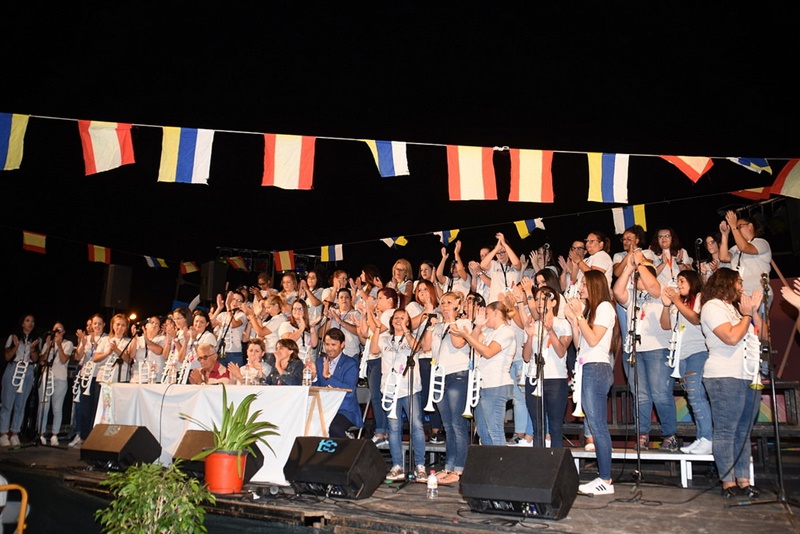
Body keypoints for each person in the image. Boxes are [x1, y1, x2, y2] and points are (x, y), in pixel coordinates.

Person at [700, 267, 763, 499]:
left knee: (744, 432)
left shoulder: (738, 309)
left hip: (748, 375)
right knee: (726, 430)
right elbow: (731, 337)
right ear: (725, 283)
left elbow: (764, 335)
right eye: (738, 282)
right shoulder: (712, 307)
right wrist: (746, 316)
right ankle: (728, 483)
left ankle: (744, 481)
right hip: (724, 375)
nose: (742, 287)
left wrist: (753, 312)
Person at [564, 270, 621, 496]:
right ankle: (603, 477)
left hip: (597, 368)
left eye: (584, 285)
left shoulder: (605, 307)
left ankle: (605, 479)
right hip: (587, 366)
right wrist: (574, 322)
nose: (580, 288)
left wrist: (579, 316)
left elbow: (595, 339)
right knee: (595, 423)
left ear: (595, 286)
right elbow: (580, 344)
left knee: (598, 426)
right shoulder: (591, 310)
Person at [614, 249, 678, 451]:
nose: (636, 278)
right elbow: (617, 292)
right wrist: (628, 268)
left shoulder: (662, 291)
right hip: (634, 351)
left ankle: (669, 435)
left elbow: (653, 287)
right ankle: (642, 434)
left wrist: (641, 263)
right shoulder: (633, 296)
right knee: (640, 395)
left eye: (640, 275)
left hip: (657, 349)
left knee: (660, 394)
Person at [370, 309, 427, 483]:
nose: (398, 320)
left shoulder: (412, 337)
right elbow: (373, 350)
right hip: (390, 389)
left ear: (408, 322)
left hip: (409, 388)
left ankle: (420, 466)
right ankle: (397, 466)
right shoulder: (385, 338)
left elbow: (417, 348)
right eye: (396, 317)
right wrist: (377, 329)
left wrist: (407, 331)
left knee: (416, 426)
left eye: (403, 318)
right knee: (394, 428)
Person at [421, 291, 471, 485]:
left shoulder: (464, 323)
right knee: (448, 425)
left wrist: (451, 320)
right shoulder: (438, 326)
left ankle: (460, 468)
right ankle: (449, 466)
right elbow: (426, 347)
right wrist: (430, 327)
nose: (444, 306)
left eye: (449, 302)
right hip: (440, 376)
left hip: (458, 375)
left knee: (458, 424)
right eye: (442, 303)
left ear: (458, 304)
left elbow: (458, 344)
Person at [660, 270, 712, 455]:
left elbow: (696, 319)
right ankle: (701, 438)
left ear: (692, 281)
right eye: (678, 281)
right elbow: (666, 325)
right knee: (692, 398)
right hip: (681, 356)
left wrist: (676, 301)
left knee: (697, 396)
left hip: (697, 353)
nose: (679, 284)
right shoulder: (678, 303)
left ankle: (708, 438)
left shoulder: (699, 298)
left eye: (682, 281)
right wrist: (666, 306)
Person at [451, 301, 516, 447]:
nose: (485, 317)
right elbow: (473, 343)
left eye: (487, 314)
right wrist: (478, 327)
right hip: (483, 385)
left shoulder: (506, 332)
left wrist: (466, 335)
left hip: (496, 385)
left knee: (494, 431)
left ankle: (501, 461)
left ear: (496, 313)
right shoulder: (489, 332)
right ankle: (489, 460)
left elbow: (488, 352)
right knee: (483, 431)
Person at [522, 287, 572, 448]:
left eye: (544, 299)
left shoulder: (563, 324)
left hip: (556, 379)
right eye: (537, 299)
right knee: (538, 428)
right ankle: (538, 461)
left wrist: (550, 331)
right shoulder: (532, 325)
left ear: (554, 302)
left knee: (555, 428)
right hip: (534, 378)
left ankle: (555, 461)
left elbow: (561, 351)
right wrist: (530, 337)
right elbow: (526, 357)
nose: (539, 302)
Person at [359, 287, 400, 447]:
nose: (377, 301)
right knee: (375, 396)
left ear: (390, 300)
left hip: (380, 358)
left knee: (378, 396)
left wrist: (370, 310)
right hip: (372, 357)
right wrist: (364, 314)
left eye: (380, 298)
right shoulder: (381, 315)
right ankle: (382, 430)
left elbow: (379, 328)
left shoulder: (390, 313)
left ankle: (381, 431)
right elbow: (365, 333)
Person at [310, 328, 363, 438]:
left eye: (333, 345)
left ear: (342, 345)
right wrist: (314, 378)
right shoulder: (320, 362)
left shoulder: (350, 364)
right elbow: (316, 390)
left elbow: (349, 390)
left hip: (344, 410)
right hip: (324, 408)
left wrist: (329, 376)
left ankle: (343, 448)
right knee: (307, 422)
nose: (329, 348)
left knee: (334, 427)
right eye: (327, 344)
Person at [1, 314, 40, 447]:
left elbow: (35, 359)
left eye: (33, 321)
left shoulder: (36, 340)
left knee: (21, 404)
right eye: (28, 321)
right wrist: (16, 346)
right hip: (14, 368)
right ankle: (3, 433)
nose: (30, 323)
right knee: (7, 403)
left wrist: (33, 349)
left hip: (27, 370)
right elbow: (7, 357)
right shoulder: (13, 337)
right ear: (22, 323)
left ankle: (15, 432)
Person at [718, 210, 772, 305]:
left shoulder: (761, 242)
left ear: (750, 226)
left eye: (739, 226)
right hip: (740, 295)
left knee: (758, 316)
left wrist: (733, 225)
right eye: (736, 227)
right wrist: (725, 234)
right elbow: (723, 257)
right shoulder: (735, 248)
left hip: (758, 294)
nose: (737, 229)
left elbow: (744, 247)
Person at [70, 313, 106, 448]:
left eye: (100, 323)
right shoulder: (85, 338)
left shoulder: (106, 339)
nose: (97, 326)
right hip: (85, 376)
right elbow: (77, 357)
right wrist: (82, 343)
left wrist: (96, 347)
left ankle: (94, 437)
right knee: (84, 408)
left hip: (98, 376)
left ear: (104, 325)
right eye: (95, 323)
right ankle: (83, 437)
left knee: (96, 408)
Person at [36, 322, 73, 446]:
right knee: (43, 406)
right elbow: (42, 361)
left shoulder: (68, 344)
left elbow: (64, 360)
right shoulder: (48, 343)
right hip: (46, 377)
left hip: (60, 379)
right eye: (55, 330)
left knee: (57, 408)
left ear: (63, 332)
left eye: (59, 330)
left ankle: (54, 435)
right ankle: (41, 434)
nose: (56, 332)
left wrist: (59, 345)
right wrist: (48, 346)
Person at [480, 232, 522, 304]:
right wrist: (496, 249)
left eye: (503, 252)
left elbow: (516, 264)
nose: (500, 255)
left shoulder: (513, 265)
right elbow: (482, 265)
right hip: (496, 303)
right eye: (498, 253)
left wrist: (504, 244)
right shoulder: (493, 264)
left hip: (512, 303)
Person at [210, 290, 249, 367]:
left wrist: (228, 306)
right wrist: (219, 308)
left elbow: (232, 324)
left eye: (239, 301)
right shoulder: (223, 314)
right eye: (233, 299)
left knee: (234, 373)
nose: (235, 302)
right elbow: (211, 324)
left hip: (234, 352)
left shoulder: (242, 315)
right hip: (221, 351)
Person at [125, 316, 166, 384]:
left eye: (157, 324)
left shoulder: (162, 338)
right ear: (145, 326)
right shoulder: (138, 339)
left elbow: (159, 351)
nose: (154, 325)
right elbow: (131, 355)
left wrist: (146, 339)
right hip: (137, 378)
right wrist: (134, 338)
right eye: (152, 322)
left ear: (159, 329)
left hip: (155, 379)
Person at [278, 298, 319, 364]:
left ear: (305, 311)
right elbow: (288, 341)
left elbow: (314, 344)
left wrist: (312, 328)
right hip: (290, 363)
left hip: (305, 363)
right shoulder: (286, 325)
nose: (297, 311)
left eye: (300, 309)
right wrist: (302, 328)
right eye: (295, 308)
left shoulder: (307, 328)